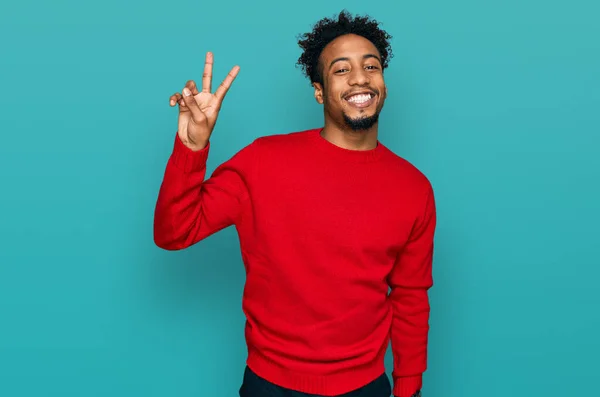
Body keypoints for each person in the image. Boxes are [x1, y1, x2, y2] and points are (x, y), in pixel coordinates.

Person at [154, 10, 436, 397]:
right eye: (341, 69)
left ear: (383, 84)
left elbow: (410, 297)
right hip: (270, 385)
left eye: (371, 66)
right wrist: (192, 145)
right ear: (319, 91)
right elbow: (174, 231)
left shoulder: (414, 188)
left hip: (366, 387)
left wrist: (409, 387)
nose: (359, 77)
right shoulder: (262, 162)